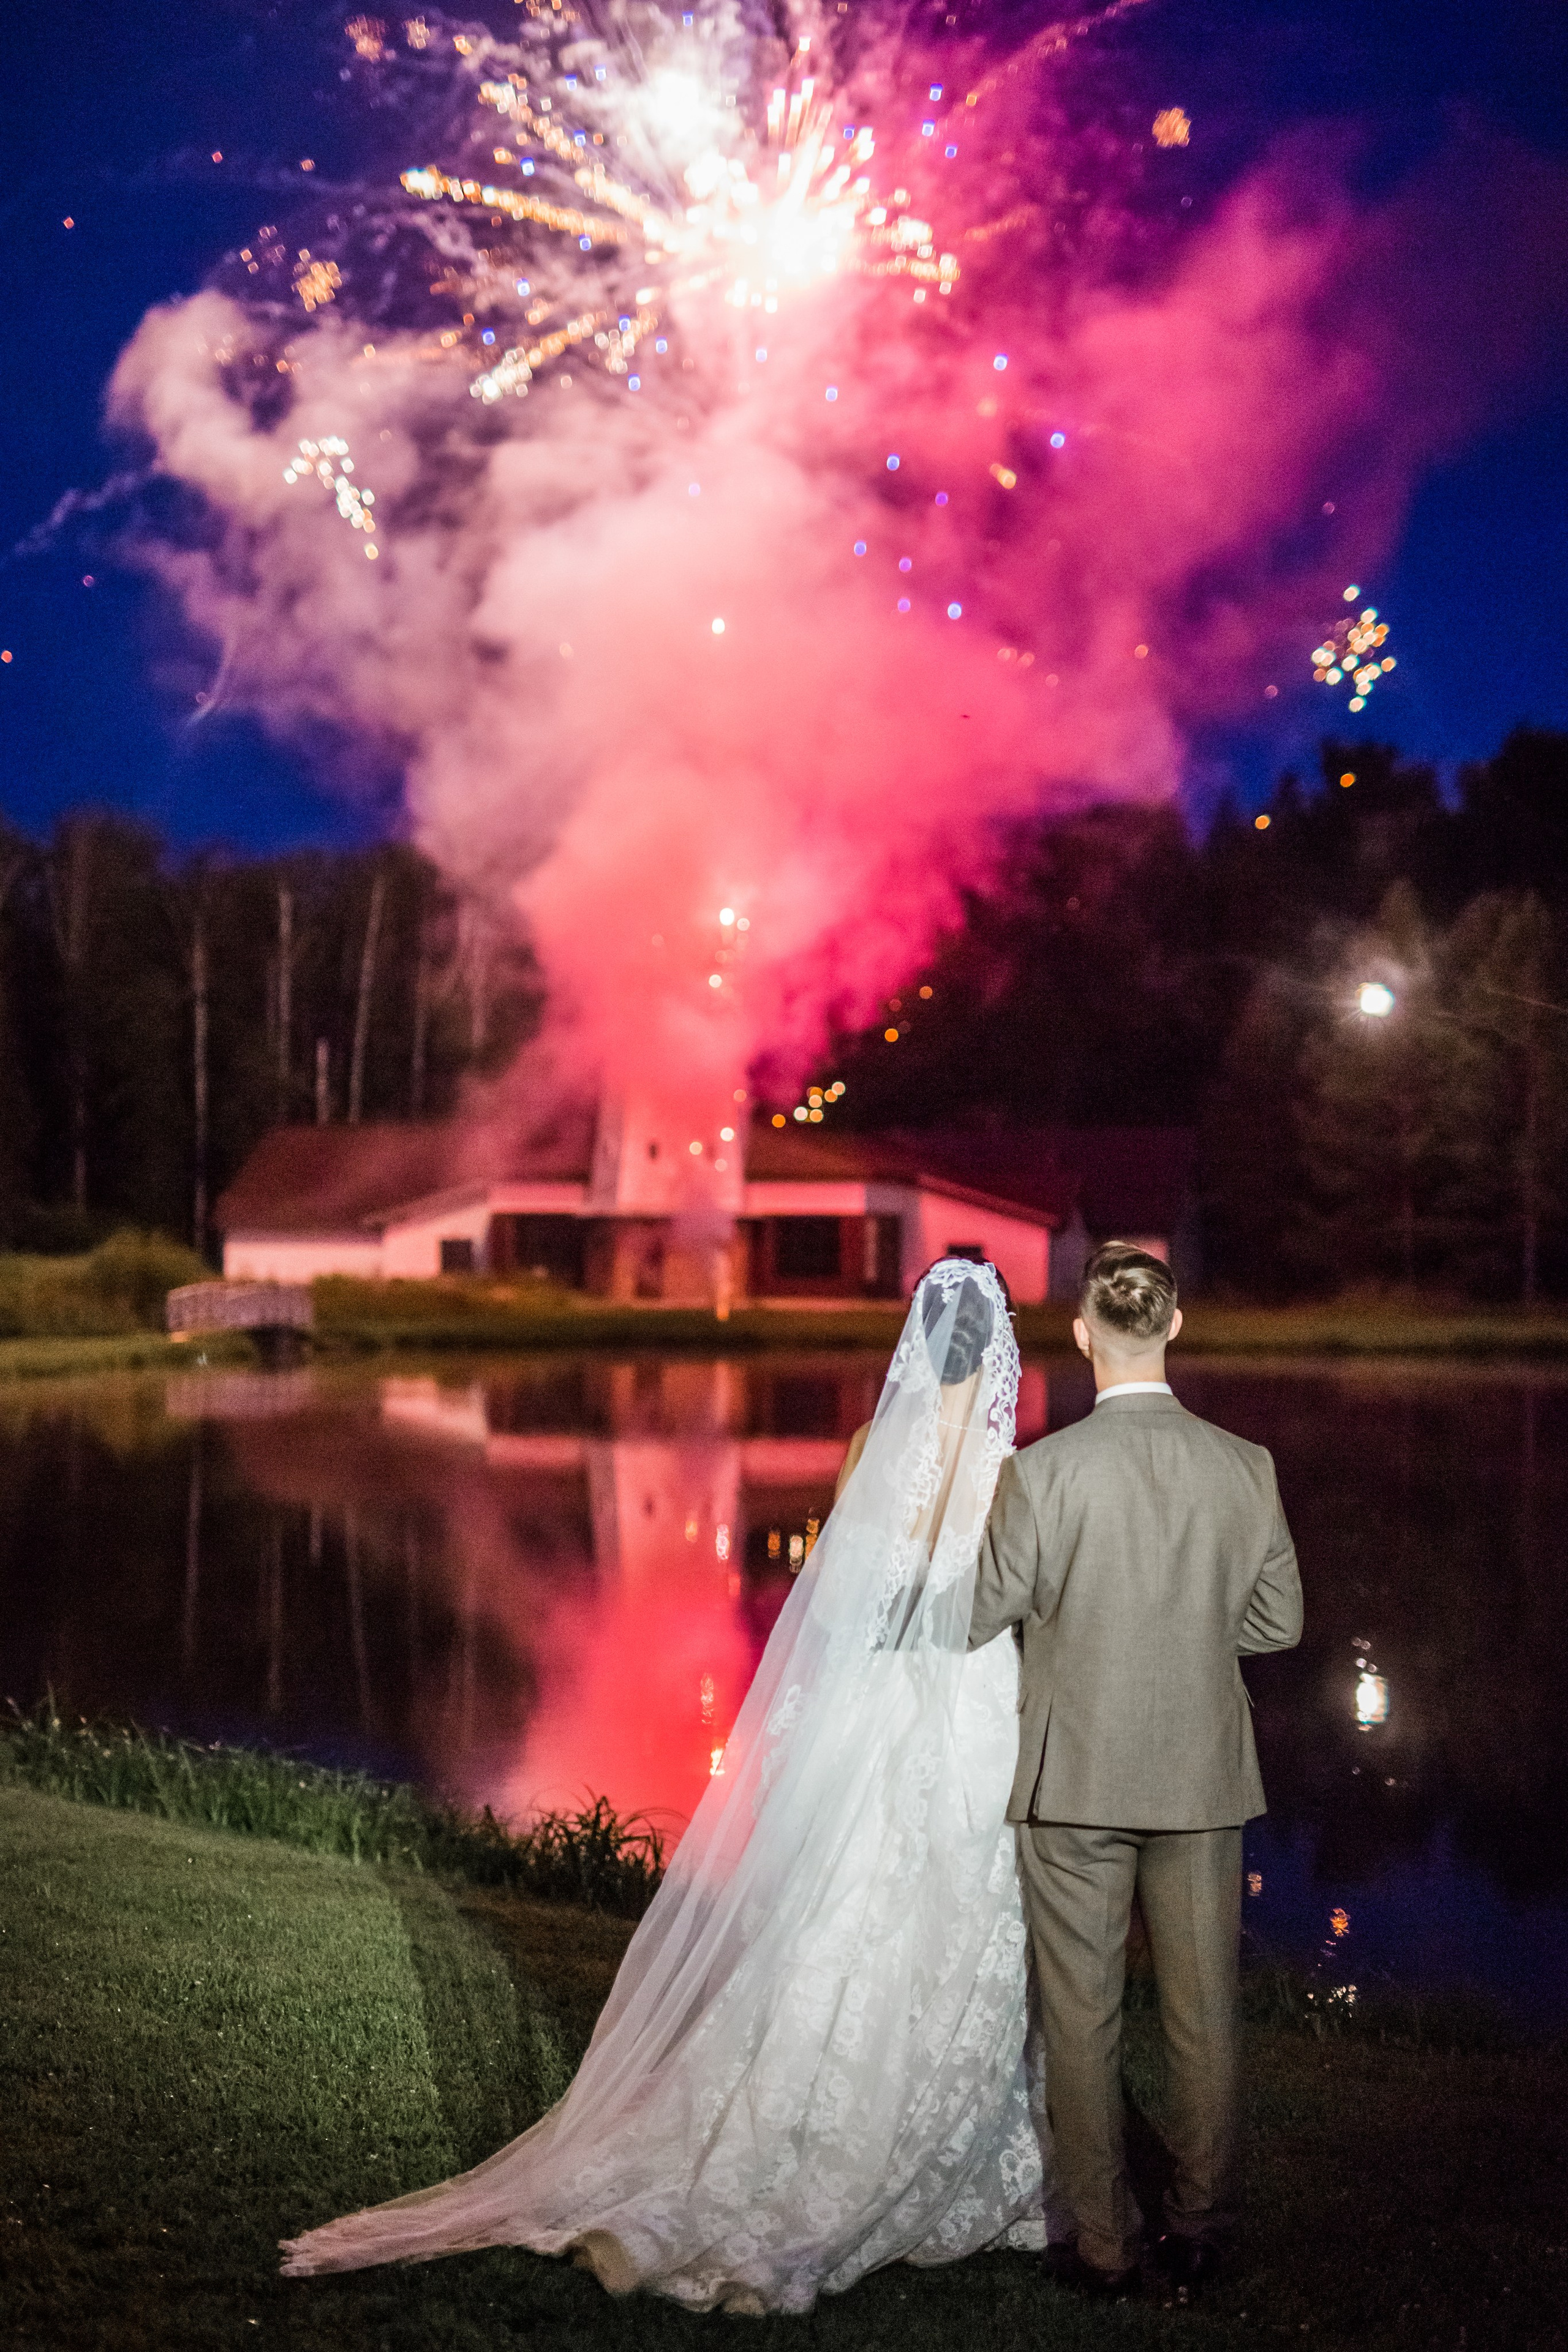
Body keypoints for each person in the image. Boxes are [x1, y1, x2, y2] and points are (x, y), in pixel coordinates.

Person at [281, 1259, 1068, 2310]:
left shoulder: (872, 1448)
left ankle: (770, 2128)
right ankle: (911, 2133)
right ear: (1003, 1351)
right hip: (969, 1715)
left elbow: (833, 1605)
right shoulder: (1011, 1473)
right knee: (953, 1916)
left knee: (841, 1907)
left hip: (872, 1716)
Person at [968, 1240, 1303, 2301]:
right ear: (1175, 1328)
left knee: (1083, 2015)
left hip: (1075, 1783)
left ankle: (1105, 2244)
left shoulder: (1046, 1471)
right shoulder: (1245, 1465)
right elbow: (1278, 1622)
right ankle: (1199, 2231)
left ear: (1080, 1335)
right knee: (1203, 2016)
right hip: (1203, 1778)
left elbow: (983, 1612)